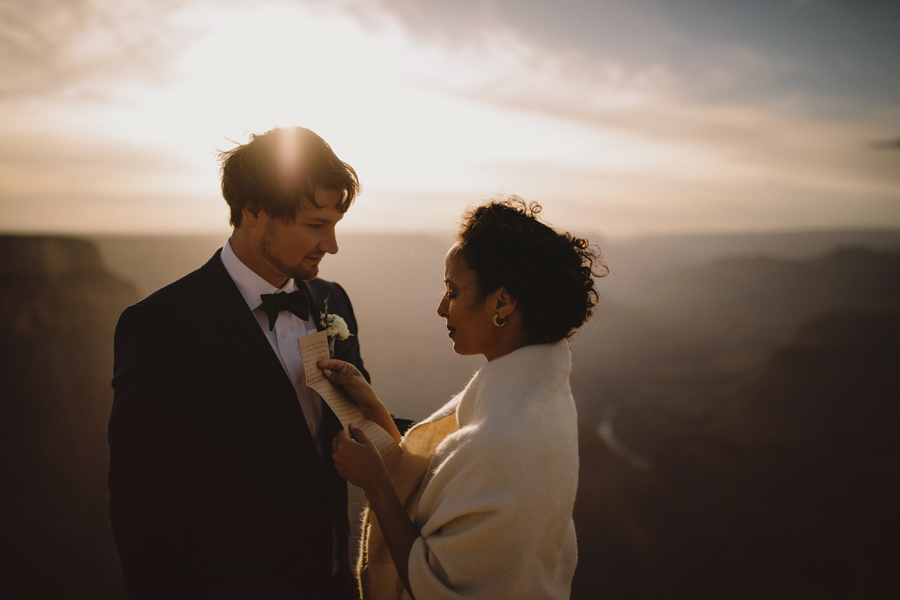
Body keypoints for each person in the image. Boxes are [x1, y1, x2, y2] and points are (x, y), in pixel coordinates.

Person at [109, 126, 367, 599]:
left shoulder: (333, 301)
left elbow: (358, 422)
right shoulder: (161, 326)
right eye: (315, 225)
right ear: (253, 211)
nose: (331, 245)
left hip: (333, 580)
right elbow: (142, 504)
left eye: (334, 224)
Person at [319, 197, 605, 600]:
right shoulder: (542, 399)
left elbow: (437, 587)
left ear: (502, 302)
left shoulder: (504, 439)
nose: (441, 308)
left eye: (451, 291)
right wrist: (377, 413)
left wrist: (376, 485)